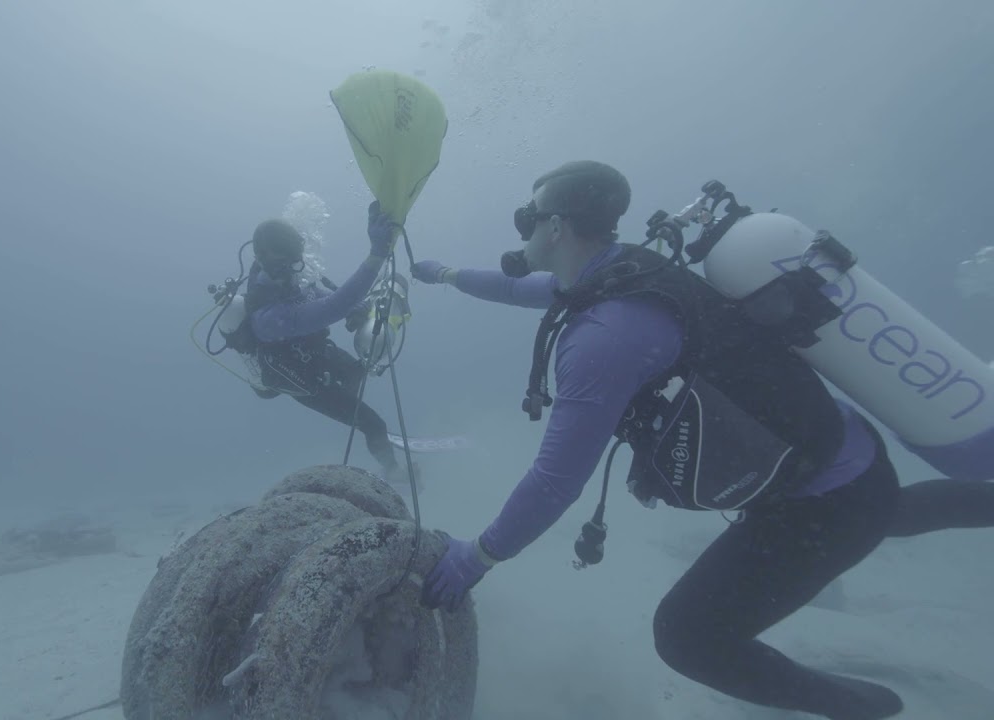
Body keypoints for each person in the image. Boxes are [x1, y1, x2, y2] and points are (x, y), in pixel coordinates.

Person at [411, 160, 907, 720]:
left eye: (527, 216)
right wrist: (445, 274)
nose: (522, 228)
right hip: (843, 449)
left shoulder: (604, 338)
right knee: (893, 509)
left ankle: (863, 709)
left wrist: (476, 557)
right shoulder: (618, 270)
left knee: (687, 637)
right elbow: (517, 286)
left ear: (555, 228)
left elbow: (555, 482)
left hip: (824, 500)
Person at [221, 201, 412, 483]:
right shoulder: (268, 317)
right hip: (299, 377)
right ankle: (395, 472)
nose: (293, 270)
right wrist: (376, 255)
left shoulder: (289, 277)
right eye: (284, 264)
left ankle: (352, 408)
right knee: (374, 425)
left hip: (314, 353)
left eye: (296, 262)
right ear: (263, 259)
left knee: (358, 373)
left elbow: (321, 294)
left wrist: (356, 309)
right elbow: (330, 308)